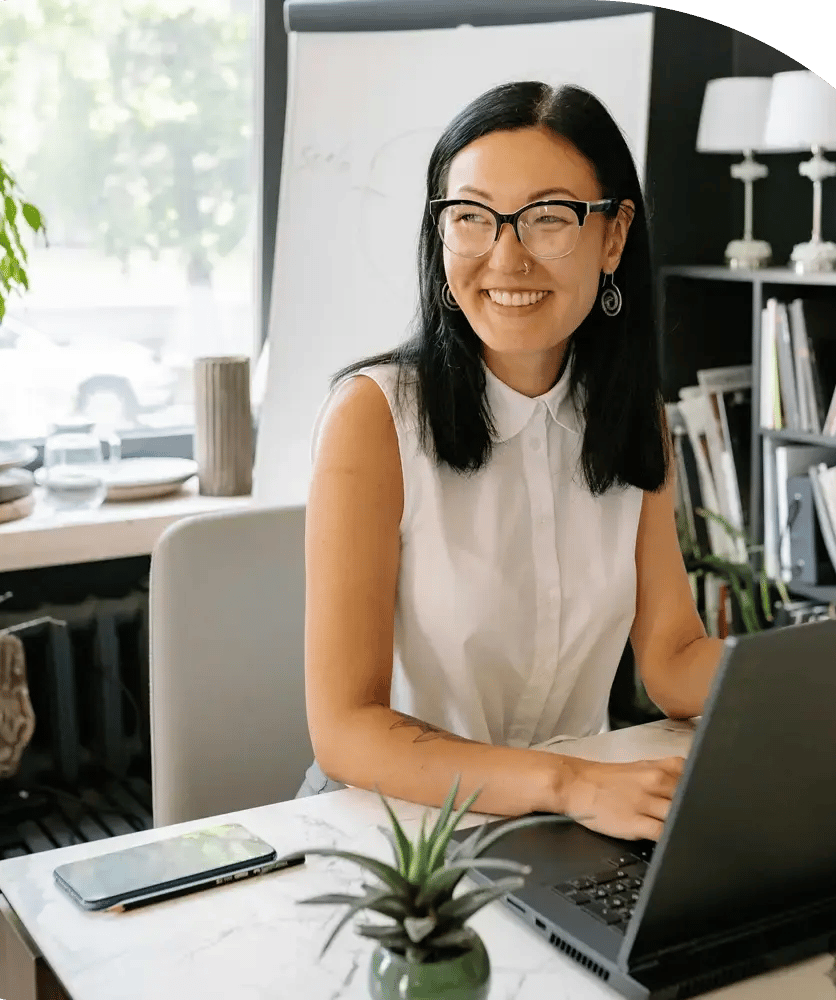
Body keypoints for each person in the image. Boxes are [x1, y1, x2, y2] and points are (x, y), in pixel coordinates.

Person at [297, 81, 725, 843]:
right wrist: (564, 783)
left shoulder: (634, 416)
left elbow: (672, 656)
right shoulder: (372, 418)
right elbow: (346, 729)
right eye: (471, 218)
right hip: (395, 830)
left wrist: (814, 689)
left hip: (570, 817)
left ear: (614, 236)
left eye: (549, 219)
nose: (506, 257)